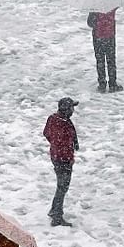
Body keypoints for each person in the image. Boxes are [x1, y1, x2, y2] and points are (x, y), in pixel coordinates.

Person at [42, 97, 79, 227]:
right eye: (72, 108)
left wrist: (54, 145)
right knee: (62, 187)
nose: (73, 110)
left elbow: (46, 133)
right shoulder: (63, 123)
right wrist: (66, 154)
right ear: (66, 109)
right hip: (63, 160)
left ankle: (55, 210)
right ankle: (56, 215)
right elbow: (65, 142)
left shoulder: (53, 119)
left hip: (56, 156)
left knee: (61, 186)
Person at [87, 7, 122, 93]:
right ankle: (112, 84)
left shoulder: (95, 9)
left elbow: (90, 23)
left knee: (100, 61)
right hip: (110, 37)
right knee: (111, 61)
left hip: (98, 38)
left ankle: (102, 84)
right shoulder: (112, 6)